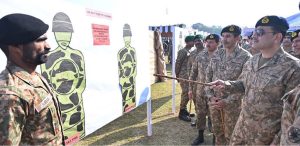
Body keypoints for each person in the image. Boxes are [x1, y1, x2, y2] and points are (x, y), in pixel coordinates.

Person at [209, 15, 300, 145]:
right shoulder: (252, 61)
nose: (254, 36)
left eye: (260, 32)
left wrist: (278, 141)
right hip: (242, 129)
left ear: (277, 37)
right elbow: (244, 84)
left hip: (266, 137)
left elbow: (292, 114)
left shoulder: (293, 67)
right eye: (254, 32)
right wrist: (227, 84)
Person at [0, 13, 64, 145]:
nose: (48, 46)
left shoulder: (33, 76)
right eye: (40, 40)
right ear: (15, 47)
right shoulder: (10, 95)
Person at [205, 25, 252, 145]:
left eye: (228, 36)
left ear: (238, 38)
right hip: (214, 103)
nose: (224, 39)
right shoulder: (217, 54)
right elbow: (208, 77)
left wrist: (226, 101)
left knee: (232, 136)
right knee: (218, 133)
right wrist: (211, 97)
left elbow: (245, 85)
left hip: (233, 106)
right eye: (223, 36)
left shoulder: (246, 57)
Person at [189, 34, 220, 145]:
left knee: (214, 116)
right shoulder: (200, 55)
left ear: (218, 43)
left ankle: (214, 139)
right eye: (207, 41)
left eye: (211, 42)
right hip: (200, 91)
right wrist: (190, 89)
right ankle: (200, 136)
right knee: (200, 114)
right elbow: (193, 73)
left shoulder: (222, 56)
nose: (208, 44)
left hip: (214, 92)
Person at [175, 35, 194, 122]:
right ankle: (181, 112)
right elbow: (178, 63)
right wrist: (177, 75)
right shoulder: (182, 51)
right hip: (183, 75)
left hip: (188, 75)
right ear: (188, 42)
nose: (194, 43)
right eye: (192, 41)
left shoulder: (190, 51)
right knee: (185, 93)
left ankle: (184, 110)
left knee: (188, 93)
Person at [188, 34, 205, 106]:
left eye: (199, 40)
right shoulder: (192, 53)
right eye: (195, 41)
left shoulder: (208, 51)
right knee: (196, 100)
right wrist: (190, 79)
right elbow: (189, 67)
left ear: (203, 41)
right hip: (195, 81)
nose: (197, 42)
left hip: (206, 81)